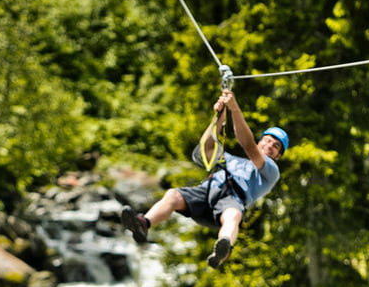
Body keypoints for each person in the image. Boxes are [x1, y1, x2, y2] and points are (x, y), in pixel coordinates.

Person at [121, 89, 288, 269]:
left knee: (234, 215)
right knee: (173, 195)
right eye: (267, 140)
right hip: (206, 193)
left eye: (275, 146)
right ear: (260, 141)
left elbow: (247, 145)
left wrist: (235, 109)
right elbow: (206, 149)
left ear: (278, 156)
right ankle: (144, 224)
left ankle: (223, 248)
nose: (269, 146)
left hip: (230, 201)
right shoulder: (231, 159)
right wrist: (219, 117)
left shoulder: (270, 171)